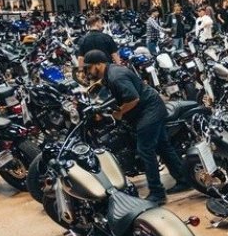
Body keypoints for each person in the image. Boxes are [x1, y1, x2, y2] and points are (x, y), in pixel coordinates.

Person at [81, 50, 191, 204]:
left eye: (89, 67)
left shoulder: (116, 76)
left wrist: (119, 113)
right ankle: (184, 180)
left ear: (98, 64)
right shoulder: (109, 73)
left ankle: (157, 193)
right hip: (152, 106)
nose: (87, 71)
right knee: (162, 146)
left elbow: (133, 99)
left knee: (145, 150)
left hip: (149, 110)